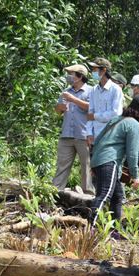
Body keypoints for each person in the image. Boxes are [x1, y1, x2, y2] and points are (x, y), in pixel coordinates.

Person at [87, 94, 139, 234]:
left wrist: (93, 162)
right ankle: (89, 229)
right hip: (109, 161)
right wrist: (135, 176)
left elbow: (98, 140)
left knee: (118, 196)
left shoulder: (117, 120)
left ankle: (116, 231)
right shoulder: (134, 124)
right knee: (104, 194)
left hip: (101, 160)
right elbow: (132, 153)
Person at [52, 64, 94, 195]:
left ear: (80, 76)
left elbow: (92, 108)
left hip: (84, 135)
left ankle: (89, 196)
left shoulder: (91, 91)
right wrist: (61, 107)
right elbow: (58, 110)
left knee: (87, 167)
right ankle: (54, 193)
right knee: (61, 165)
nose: (68, 77)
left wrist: (74, 100)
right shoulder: (66, 91)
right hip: (67, 135)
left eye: (71, 74)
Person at [85, 57, 123, 150]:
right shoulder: (94, 90)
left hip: (109, 136)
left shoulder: (115, 89)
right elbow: (90, 114)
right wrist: (89, 133)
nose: (92, 72)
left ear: (103, 71)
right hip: (94, 136)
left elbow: (115, 115)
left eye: (95, 69)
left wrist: (95, 116)